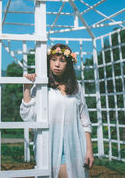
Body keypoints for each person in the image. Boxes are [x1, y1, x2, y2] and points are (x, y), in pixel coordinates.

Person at [20, 43, 94, 178]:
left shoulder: (77, 87)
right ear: (48, 61)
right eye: (53, 60)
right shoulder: (42, 86)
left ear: (69, 64)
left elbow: (85, 121)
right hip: (50, 144)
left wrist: (89, 150)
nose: (57, 64)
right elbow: (28, 117)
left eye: (62, 61)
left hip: (75, 145)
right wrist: (27, 88)